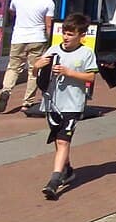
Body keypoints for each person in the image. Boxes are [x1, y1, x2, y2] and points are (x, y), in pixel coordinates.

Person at [33, 12, 98, 199]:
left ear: (81, 35)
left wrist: (69, 72)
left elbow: (91, 77)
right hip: (52, 103)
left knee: (63, 141)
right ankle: (67, 170)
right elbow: (37, 69)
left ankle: (54, 181)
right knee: (58, 139)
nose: (66, 37)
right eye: (65, 33)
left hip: (73, 104)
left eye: (71, 34)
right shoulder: (54, 49)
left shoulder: (86, 53)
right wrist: (38, 65)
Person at [0, 0, 57, 113]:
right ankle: (27, 102)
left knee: (13, 67)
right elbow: (49, 25)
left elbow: (12, 12)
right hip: (38, 38)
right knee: (34, 70)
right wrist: (50, 41)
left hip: (18, 37)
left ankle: (6, 90)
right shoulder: (48, 2)